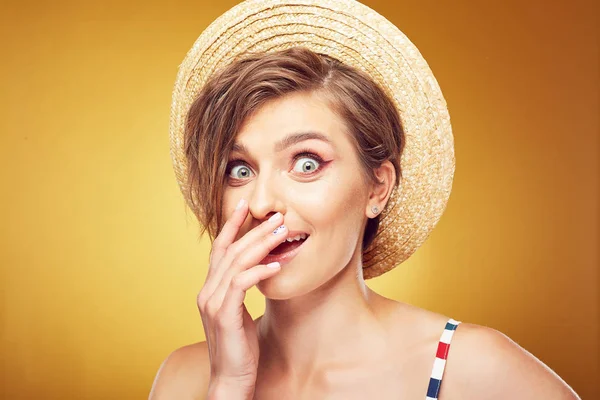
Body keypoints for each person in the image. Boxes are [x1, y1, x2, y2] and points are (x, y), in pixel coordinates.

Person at [150, 0, 581, 399]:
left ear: (378, 187)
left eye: (306, 163)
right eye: (239, 170)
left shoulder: (472, 369)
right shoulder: (185, 379)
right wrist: (228, 385)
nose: (262, 203)